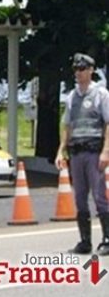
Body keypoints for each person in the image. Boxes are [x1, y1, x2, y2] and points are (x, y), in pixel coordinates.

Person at [55, 53, 109, 256]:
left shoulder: (101, 94)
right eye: (76, 70)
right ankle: (85, 241)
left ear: (91, 70)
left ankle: (107, 238)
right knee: (79, 197)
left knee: (99, 196)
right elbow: (67, 126)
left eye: (82, 69)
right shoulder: (72, 97)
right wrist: (61, 150)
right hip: (76, 152)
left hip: (94, 152)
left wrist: (106, 151)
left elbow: (107, 123)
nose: (78, 73)